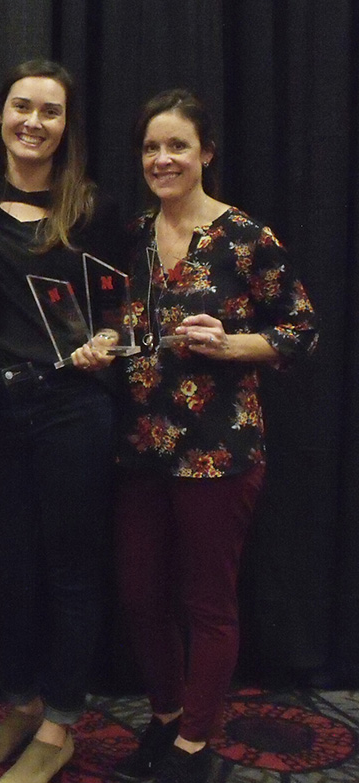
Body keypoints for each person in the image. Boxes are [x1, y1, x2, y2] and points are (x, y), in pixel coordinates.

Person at [81, 89, 317, 783]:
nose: (163, 159)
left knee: (207, 600)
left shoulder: (246, 236)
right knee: (138, 594)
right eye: (152, 148)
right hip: (143, 448)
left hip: (222, 450)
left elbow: (302, 333)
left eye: (177, 146)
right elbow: (124, 327)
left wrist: (234, 343)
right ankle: (164, 719)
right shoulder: (131, 237)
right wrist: (103, 342)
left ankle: (195, 746)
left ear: (206, 152)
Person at [0, 59, 123, 783]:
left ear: (66, 127)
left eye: (50, 112)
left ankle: (60, 724)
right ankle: (22, 703)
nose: (33, 121)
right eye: (21, 106)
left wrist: (107, 341)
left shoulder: (93, 207)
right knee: (9, 568)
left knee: (71, 572)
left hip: (71, 408)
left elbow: (124, 309)